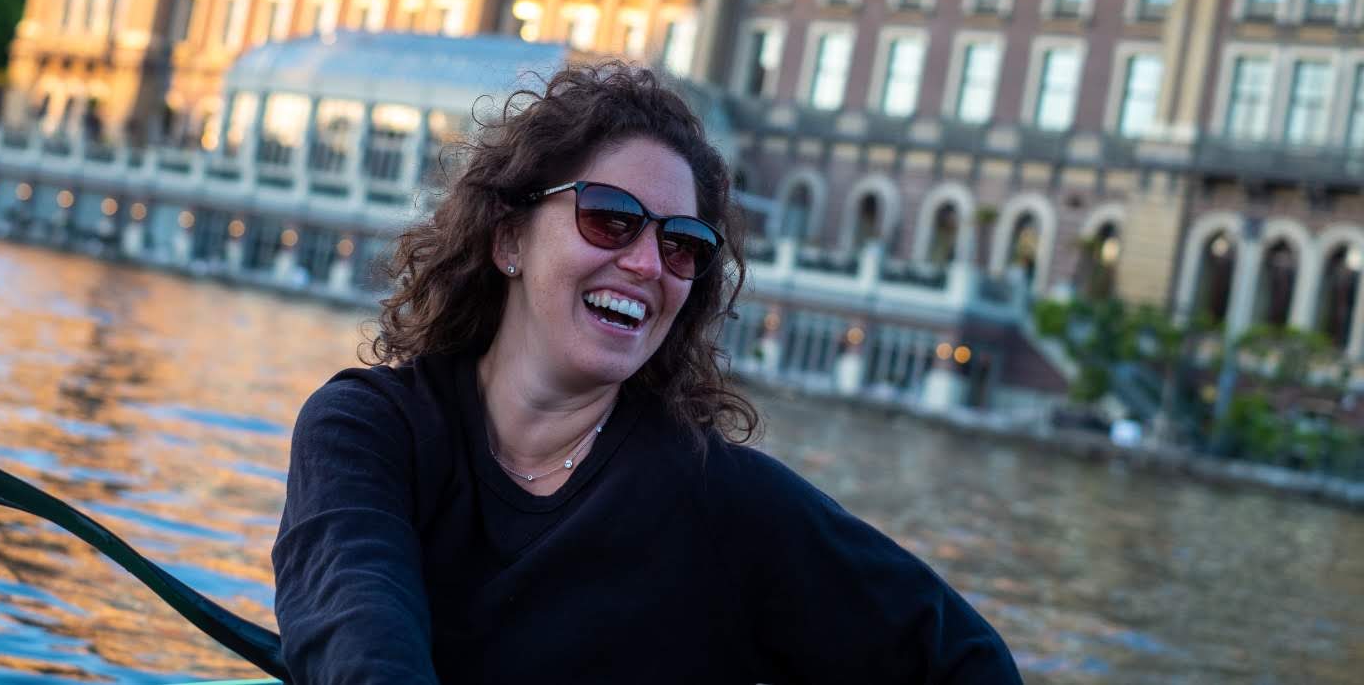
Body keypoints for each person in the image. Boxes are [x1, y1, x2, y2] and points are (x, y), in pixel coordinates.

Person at [271, 63, 1021, 683]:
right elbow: (354, 617)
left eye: (683, 244)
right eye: (609, 218)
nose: (645, 264)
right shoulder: (367, 429)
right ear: (509, 239)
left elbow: (966, 664)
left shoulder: (717, 500)